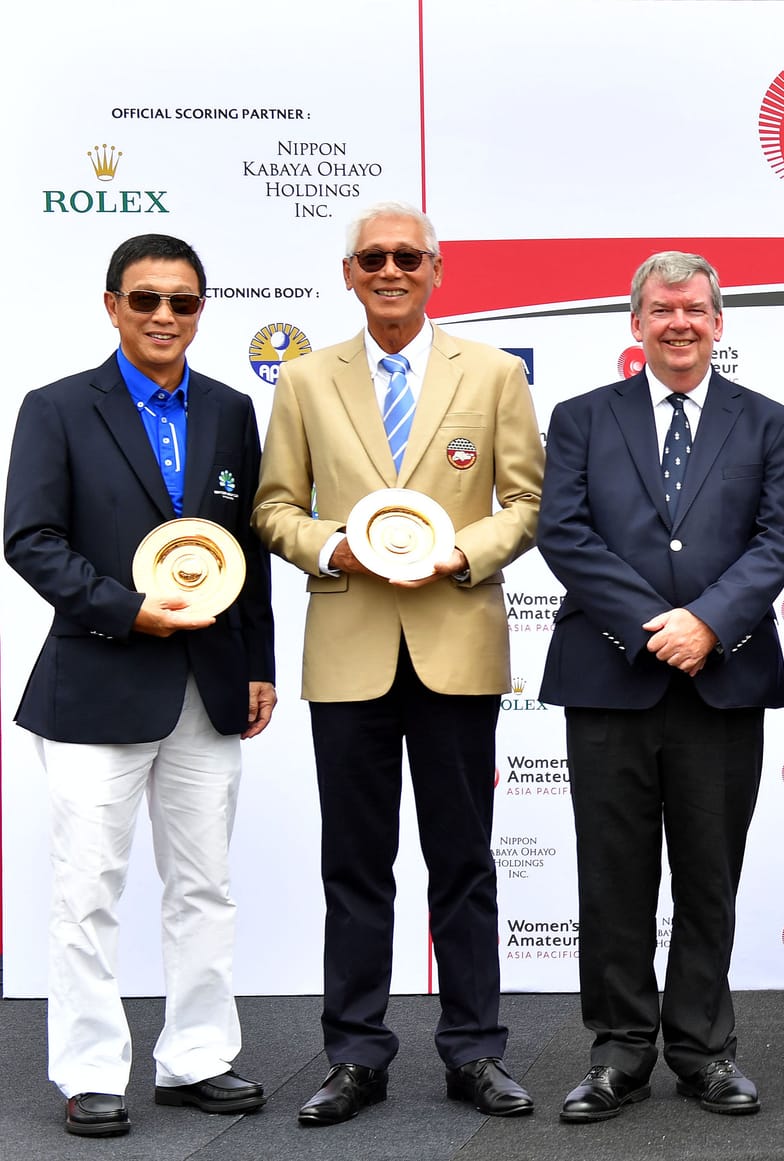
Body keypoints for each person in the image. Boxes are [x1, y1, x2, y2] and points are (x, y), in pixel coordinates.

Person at [252, 202, 544, 1125]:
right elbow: (273, 507)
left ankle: (475, 1050)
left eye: (407, 257)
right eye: (372, 257)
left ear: (436, 270)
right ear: (348, 273)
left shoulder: (494, 372)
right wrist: (335, 546)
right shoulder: (305, 379)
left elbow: (525, 501)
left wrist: (460, 553)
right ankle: (354, 1055)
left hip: (456, 644)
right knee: (355, 863)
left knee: (463, 861)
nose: (390, 270)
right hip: (350, 650)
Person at [4, 233, 275, 1138]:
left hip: (210, 683)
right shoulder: (55, 407)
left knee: (205, 884)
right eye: (147, 299)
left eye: (183, 301)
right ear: (113, 304)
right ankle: (89, 1071)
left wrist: (260, 663)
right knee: (88, 890)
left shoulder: (232, 408)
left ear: (200, 310)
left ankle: (197, 1057)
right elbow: (31, 539)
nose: (165, 316)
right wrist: (128, 610)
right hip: (97, 681)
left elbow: (245, 553)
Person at [537, 251, 784, 1124]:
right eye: (662, 308)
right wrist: (658, 625)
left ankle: (703, 1050)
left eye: (694, 309)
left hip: (722, 679)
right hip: (610, 677)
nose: (678, 322)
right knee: (612, 877)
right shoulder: (582, 417)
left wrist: (709, 624)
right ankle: (618, 1053)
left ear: (719, 323)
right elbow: (565, 532)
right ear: (636, 323)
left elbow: (777, 540)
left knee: (709, 876)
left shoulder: (768, 422)